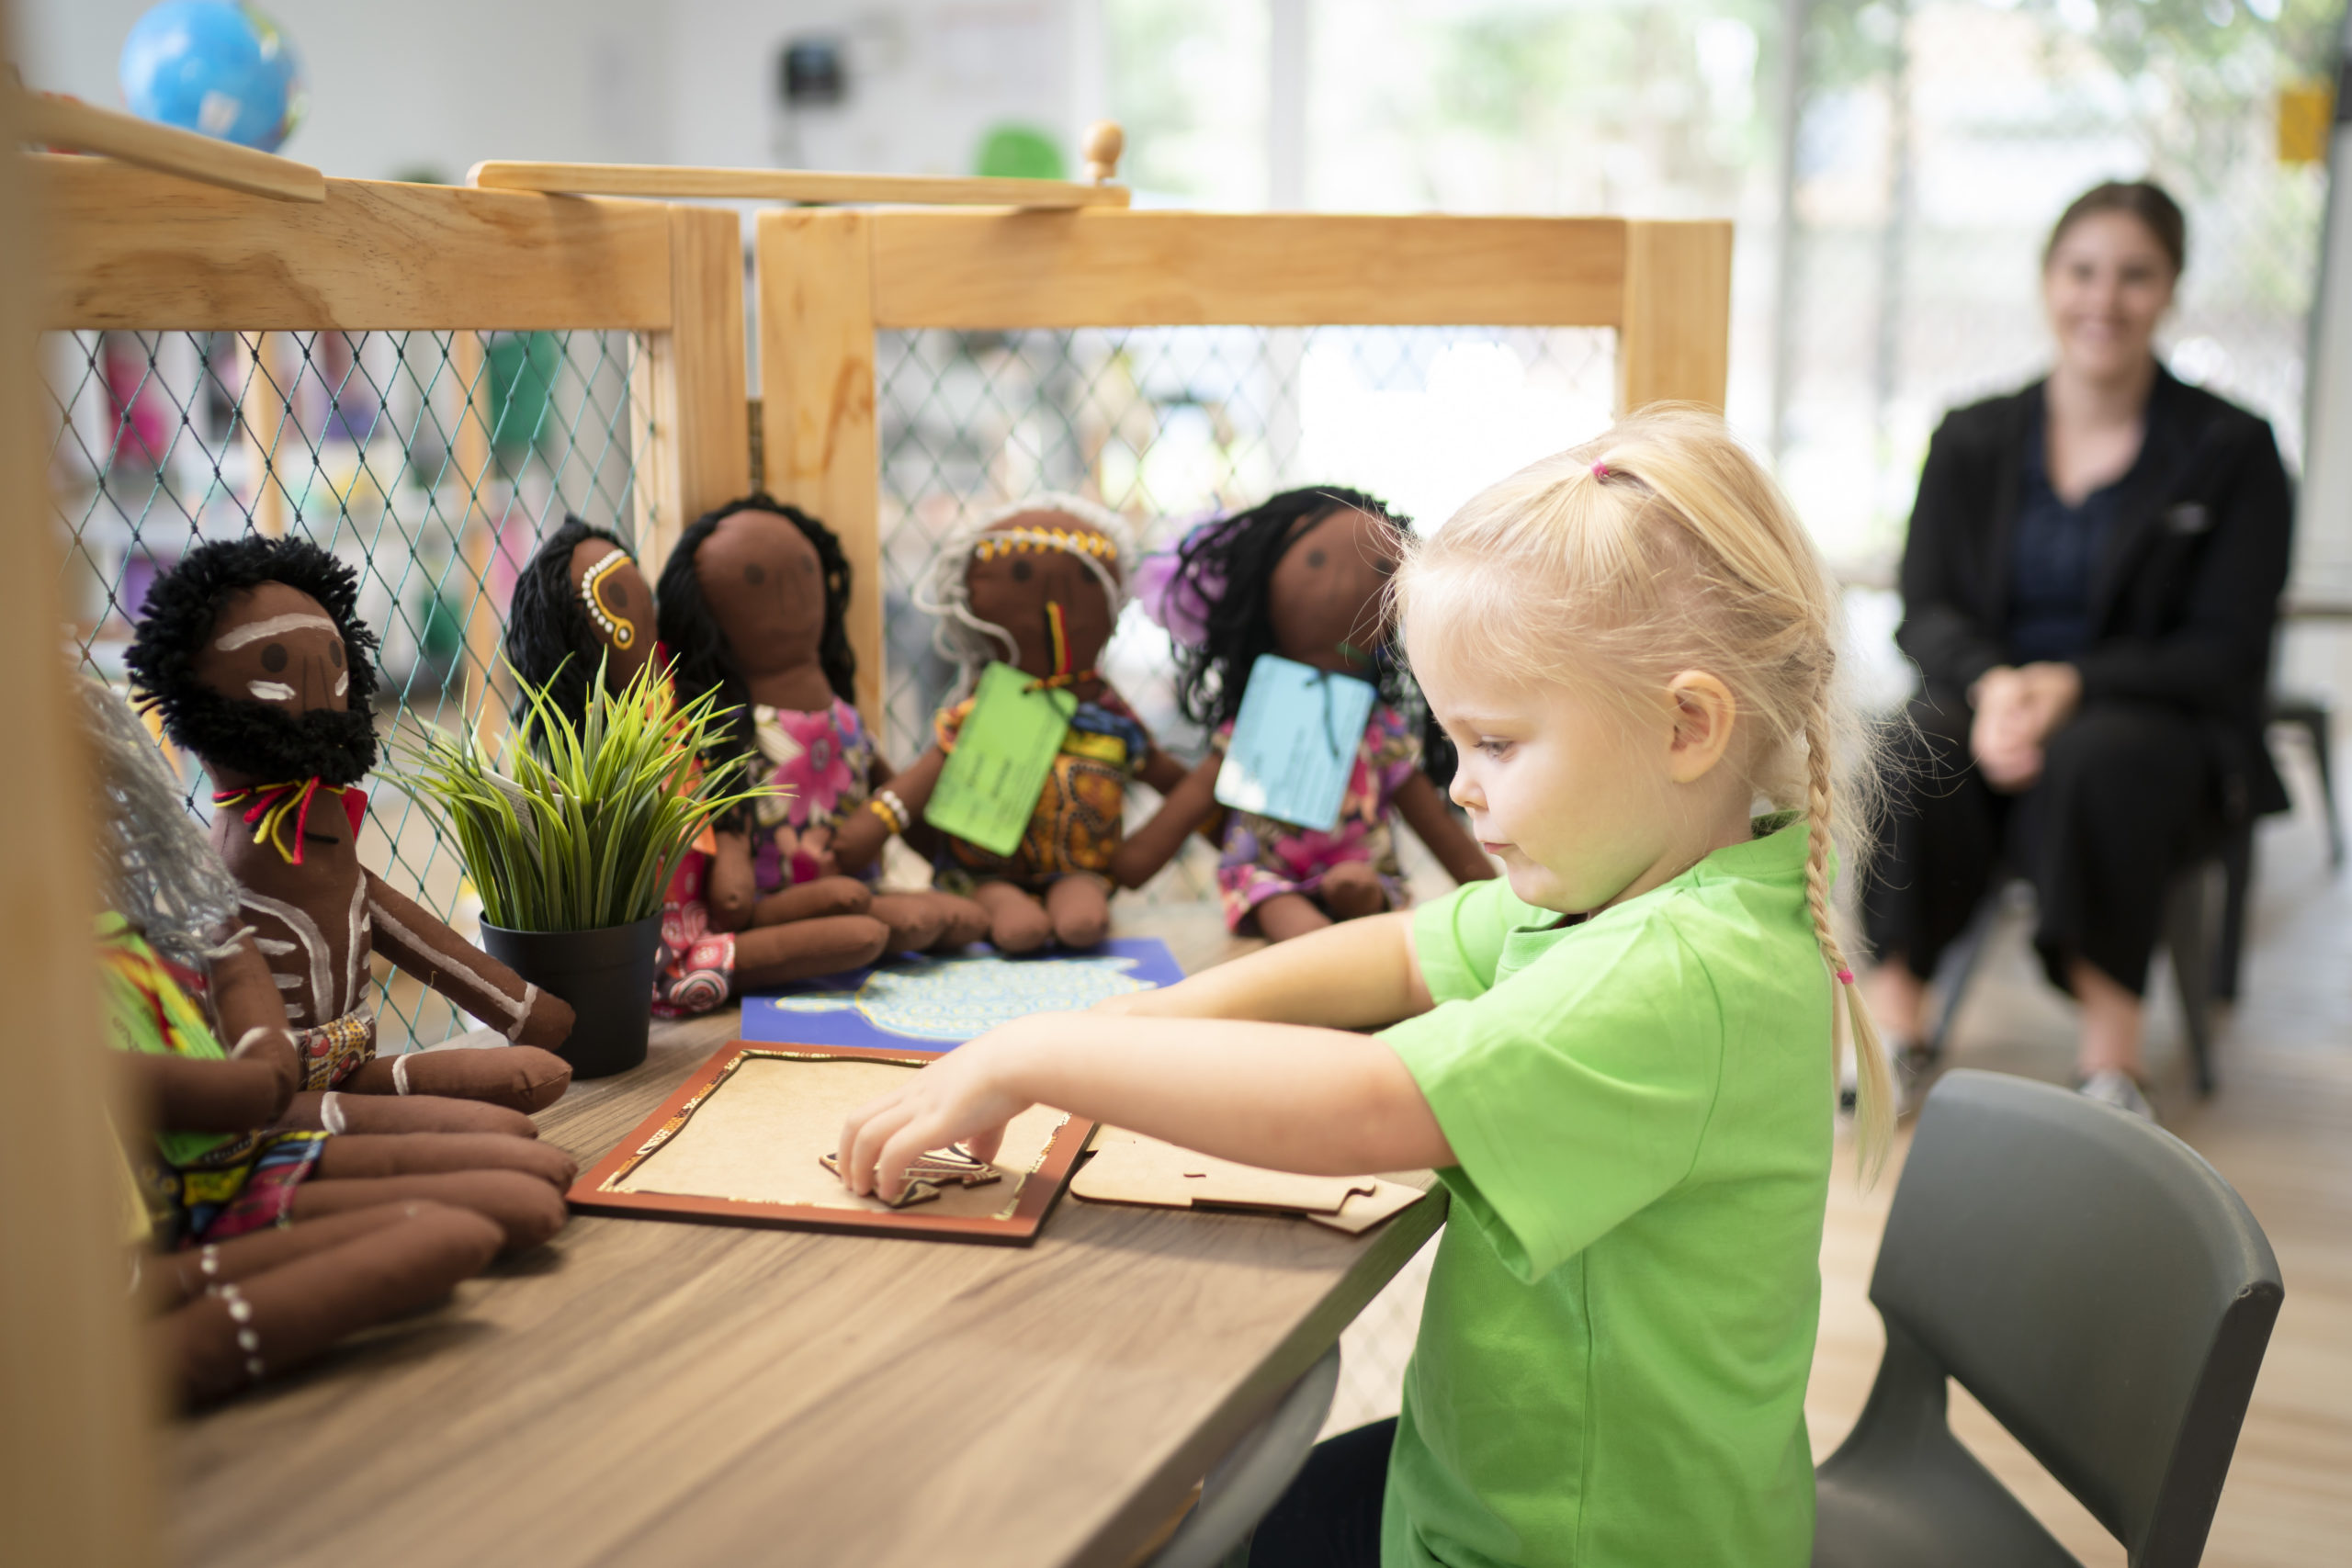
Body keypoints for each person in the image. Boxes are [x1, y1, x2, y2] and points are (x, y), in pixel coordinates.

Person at [834, 407, 1893, 1567]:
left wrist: (1035, 1056)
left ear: (1686, 726)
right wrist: (1136, 1021)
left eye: (1495, 743)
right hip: (1505, 1476)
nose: (1460, 787)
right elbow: (1398, 950)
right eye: (1448, 742)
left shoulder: (1677, 969)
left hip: (1575, 1540)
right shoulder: (1646, 880)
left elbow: (1364, 1103)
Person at [1862, 180, 2293, 1120]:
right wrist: (1995, 685)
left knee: (2101, 760)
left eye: (2134, 276)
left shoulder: (2234, 451)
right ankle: (1896, 1026)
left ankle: (2111, 1063)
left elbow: (2223, 648)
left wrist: (2073, 684)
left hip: (2152, 724)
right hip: (1993, 699)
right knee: (1910, 744)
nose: (2104, 300)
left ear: (2170, 288)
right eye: (2082, 272)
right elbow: (1923, 608)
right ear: (2046, 279)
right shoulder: (1970, 438)